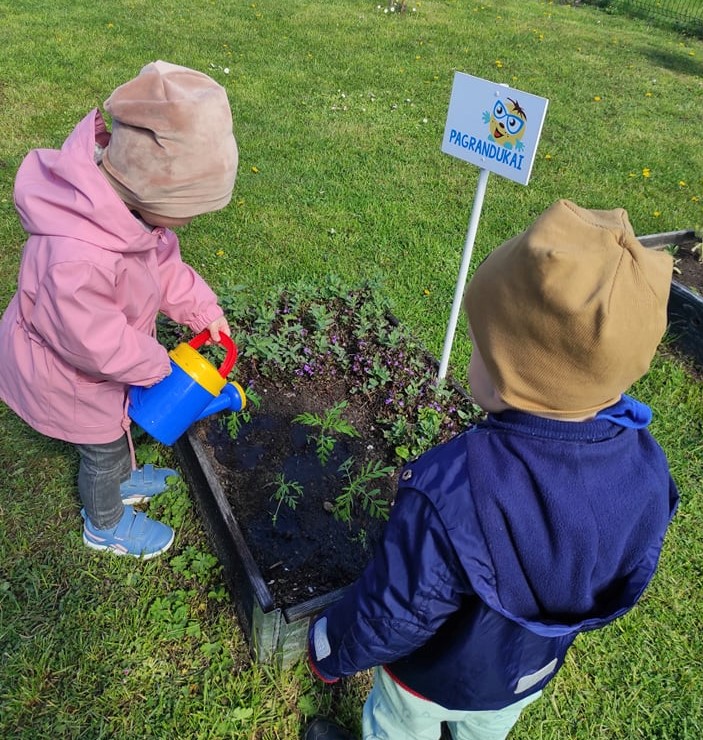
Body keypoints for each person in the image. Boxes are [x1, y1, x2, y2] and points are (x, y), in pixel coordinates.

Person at [305, 199, 679, 740]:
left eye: (481, 344)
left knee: (399, 728)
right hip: (524, 675)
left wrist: (331, 648)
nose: (470, 356)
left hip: (430, 680)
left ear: (514, 376)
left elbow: (398, 611)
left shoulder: (453, 489)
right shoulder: (647, 469)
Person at [0, 61, 238, 560]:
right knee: (103, 448)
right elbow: (94, 342)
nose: (190, 221)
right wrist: (156, 366)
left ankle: (123, 479)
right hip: (69, 377)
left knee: (118, 423)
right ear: (151, 189)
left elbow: (163, 266)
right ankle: (104, 522)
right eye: (190, 210)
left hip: (103, 366)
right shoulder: (76, 257)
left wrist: (202, 309)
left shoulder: (130, 216)